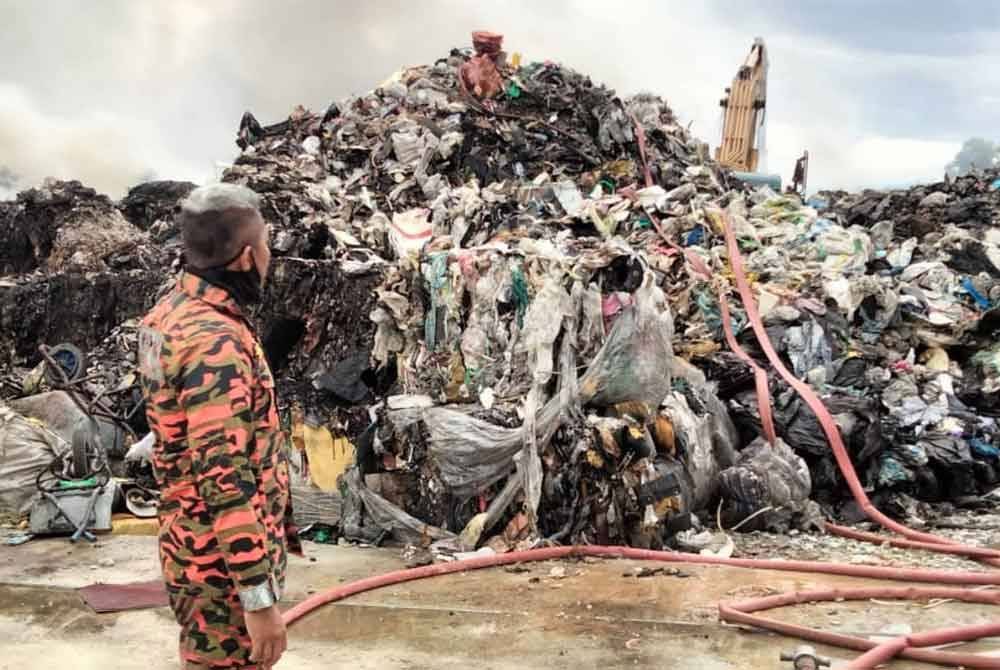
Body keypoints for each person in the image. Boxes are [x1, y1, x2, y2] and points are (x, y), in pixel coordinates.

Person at [137, 183, 301, 669]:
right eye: (267, 245)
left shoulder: (166, 315)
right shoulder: (217, 344)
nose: (271, 257)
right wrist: (257, 599)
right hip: (222, 574)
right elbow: (223, 479)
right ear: (247, 258)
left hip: (190, 552)